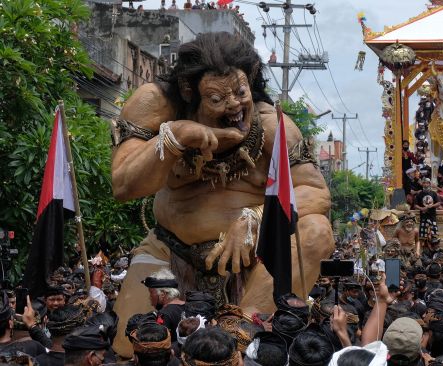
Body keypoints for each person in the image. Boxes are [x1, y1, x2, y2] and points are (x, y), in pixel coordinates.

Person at [111, 31, 334, 358]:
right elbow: (124, 186)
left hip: (253, 263)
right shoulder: (157, 107)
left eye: (240, 93)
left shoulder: (272, 126)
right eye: (217, 99)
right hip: (170, 253)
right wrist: (176, 136)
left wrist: (254, 219)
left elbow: (315, 192)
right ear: (190, 93)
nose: (234, 107)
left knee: (316, 231)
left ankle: (241, 337)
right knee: (127, 347)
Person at [141, 269, 185, 343]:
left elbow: (160, 344)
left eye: (151, 293)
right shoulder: (188, 306)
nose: (150, 297)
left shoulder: (164, 314)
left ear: (163, 294)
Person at [414, 179, 440, 247]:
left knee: (434, 235)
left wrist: (432, 206)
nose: (425, 184)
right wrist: (421, 208)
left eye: (427, 183)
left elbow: (438, 203)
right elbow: (415, 205)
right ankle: (421, 250)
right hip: (423, 216)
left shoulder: (433, 193)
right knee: (422, 235)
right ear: (422, 184)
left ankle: (434, 248)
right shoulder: (419, 194)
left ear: (429, 184)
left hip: (432, 215)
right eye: (424, 183)